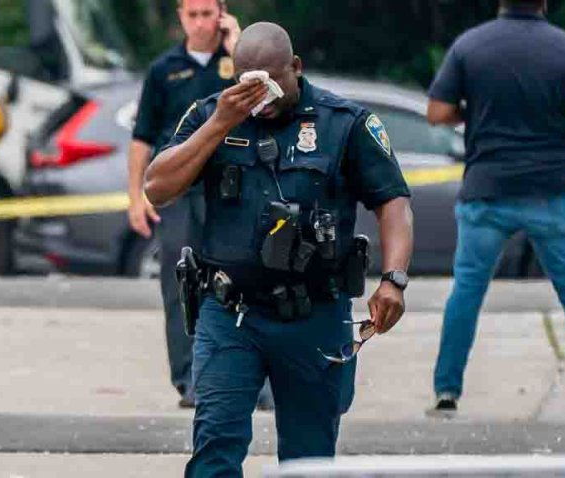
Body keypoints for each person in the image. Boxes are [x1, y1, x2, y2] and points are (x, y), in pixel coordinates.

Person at [145, 22, 414, 477]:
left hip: (314, 316)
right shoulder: (212, 116)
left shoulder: (343, 123)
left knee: (309, 459)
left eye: (271, 81)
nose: (261, 96)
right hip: (231, 314)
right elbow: (157, 188)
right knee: (215, 447)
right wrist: (220, 124)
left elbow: (393, 201)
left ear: (295, 68)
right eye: (249, 83)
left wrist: (394, 279)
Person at [426, 0, 565, 421]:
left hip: (487, 189)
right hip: (552, 190)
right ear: (544, 1)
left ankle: (446, 391)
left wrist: (476, 112)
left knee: (467, 289)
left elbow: (437, 111)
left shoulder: (469, 46)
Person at [128, 0, 275, 409]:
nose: (199, 23)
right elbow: (141, 139)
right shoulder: (163, 70)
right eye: (191, 15)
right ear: (180, 17)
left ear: (222, 14)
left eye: (207, 14)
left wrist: (238, 44)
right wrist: (135, 197)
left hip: (229, 188)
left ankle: (252, 377)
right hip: (177, 191)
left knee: (240, 280)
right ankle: (189, 378)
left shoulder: (235, 60)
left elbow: (268, 103)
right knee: (182, 284)